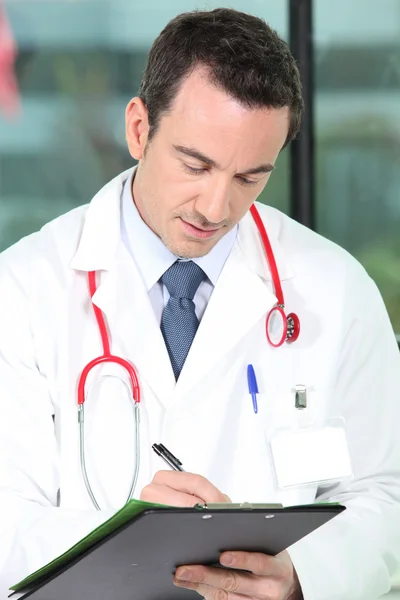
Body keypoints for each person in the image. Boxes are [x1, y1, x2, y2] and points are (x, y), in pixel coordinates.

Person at [0, 7, 399, 600]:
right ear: (139, 129)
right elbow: (7, 523)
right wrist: (121, 538)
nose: (215, 208)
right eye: (196, 165)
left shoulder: (336, 289)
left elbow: (388, 494)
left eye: (249, 177)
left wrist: (299, 577)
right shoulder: (26, 288)